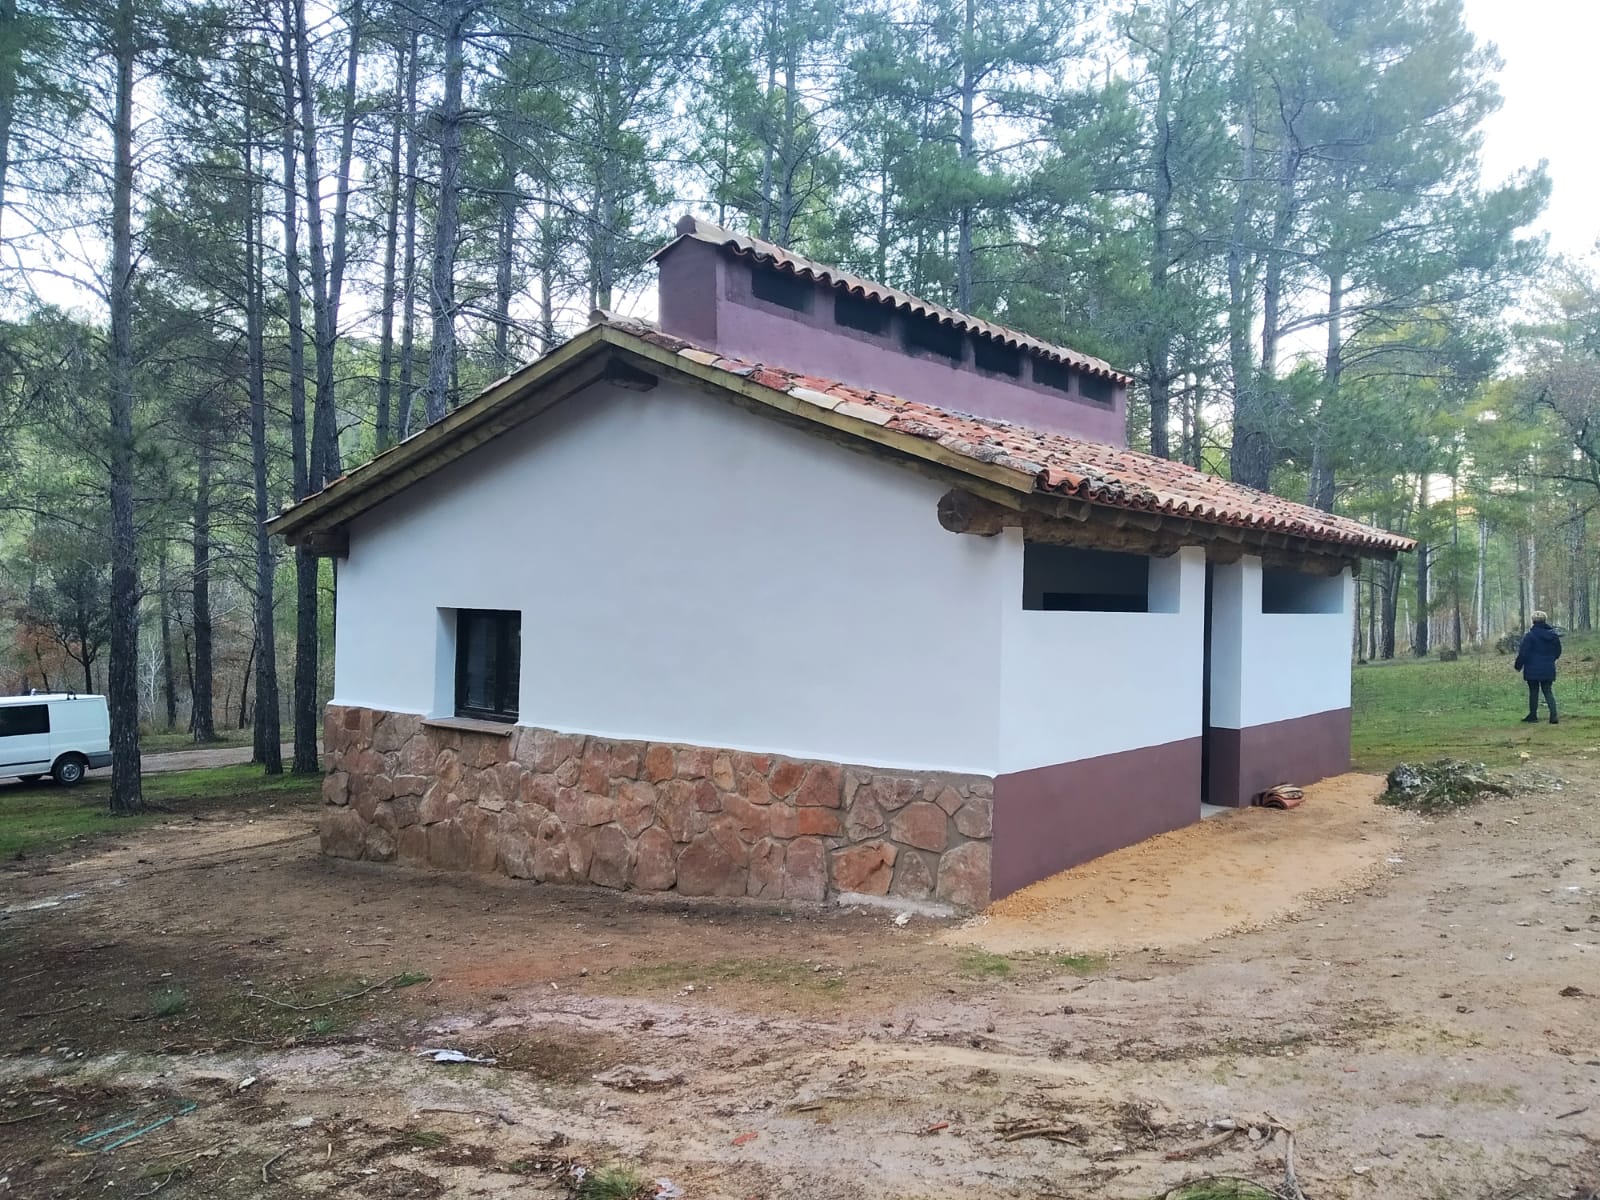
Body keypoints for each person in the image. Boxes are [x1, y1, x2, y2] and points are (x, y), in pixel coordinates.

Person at [1513, 611, 1562, 725]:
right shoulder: (1553, 636)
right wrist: (1550, 660)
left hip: (1532, 668)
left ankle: (1533, 715)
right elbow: (1558, 652)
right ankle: (1553, 715)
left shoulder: (1530, 636)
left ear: (1533, 621)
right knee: (1548, 690)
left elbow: (1524, 653)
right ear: (1545, 620)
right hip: (1548, 667)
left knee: (1533, 691)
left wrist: (1518, 665)